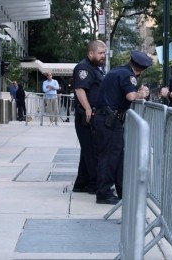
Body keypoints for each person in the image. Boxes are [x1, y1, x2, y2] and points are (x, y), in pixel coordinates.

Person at [94, 50, 152, 204]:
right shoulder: (128, 76)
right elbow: (131, 96)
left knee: (117, 156)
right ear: (141, 70)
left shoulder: (117, 71)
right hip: (110, 120)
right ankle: (104, 193)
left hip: (107, 118)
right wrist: (142, 93)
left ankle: (121, 190)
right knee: (110, 157)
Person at [72, 40, 107, 194]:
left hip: (92, 114)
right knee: (92, 151)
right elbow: (80, 89)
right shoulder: (83, 68)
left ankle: (82, 183)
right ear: (91, 53)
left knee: (88, 150)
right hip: (86, 116)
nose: (103, 56)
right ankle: (94, 184)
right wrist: (87, 108)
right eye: (100, 53)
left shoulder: (95, 68)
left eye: (104, 53)